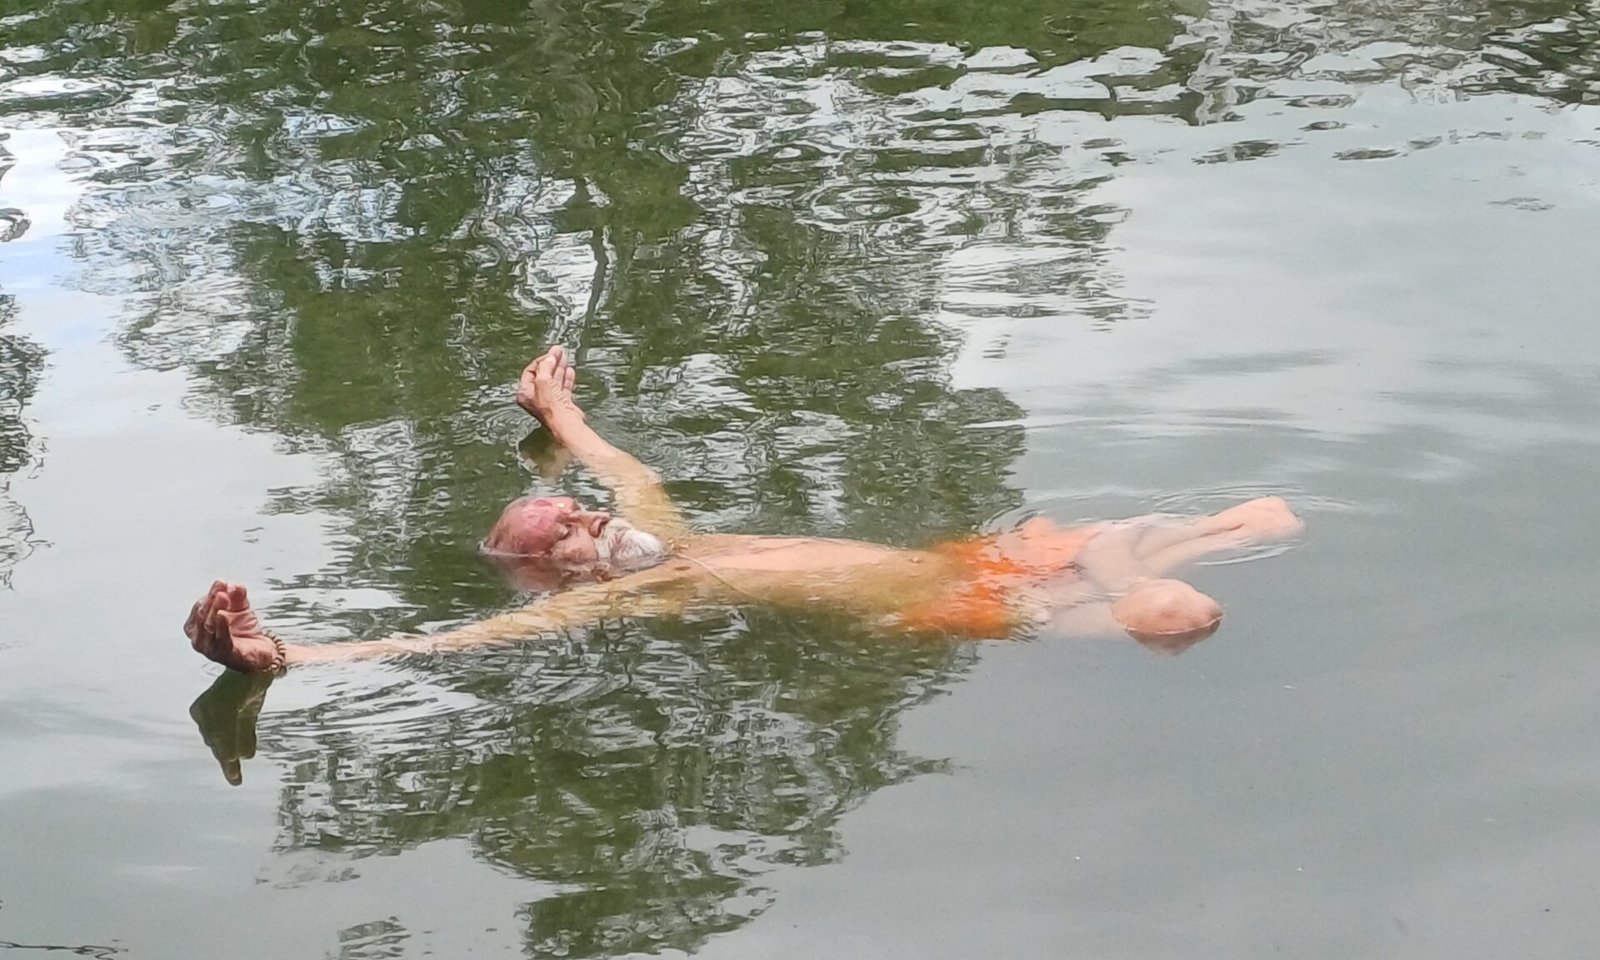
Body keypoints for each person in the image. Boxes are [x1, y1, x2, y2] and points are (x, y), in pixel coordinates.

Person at [185, 346, 1303, 677]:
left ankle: (1157, 560)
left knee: (1253, 518)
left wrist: (558, 411)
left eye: (568, 507)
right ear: (561, 575)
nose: (582, 518)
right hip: (958, 612)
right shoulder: (644, 592)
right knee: (1168, 612)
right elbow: (450, 638)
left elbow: (619, 466)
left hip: (971, 559)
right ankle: (1144, 585)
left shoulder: (672, 538)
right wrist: (281, 654)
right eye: (559, 532)